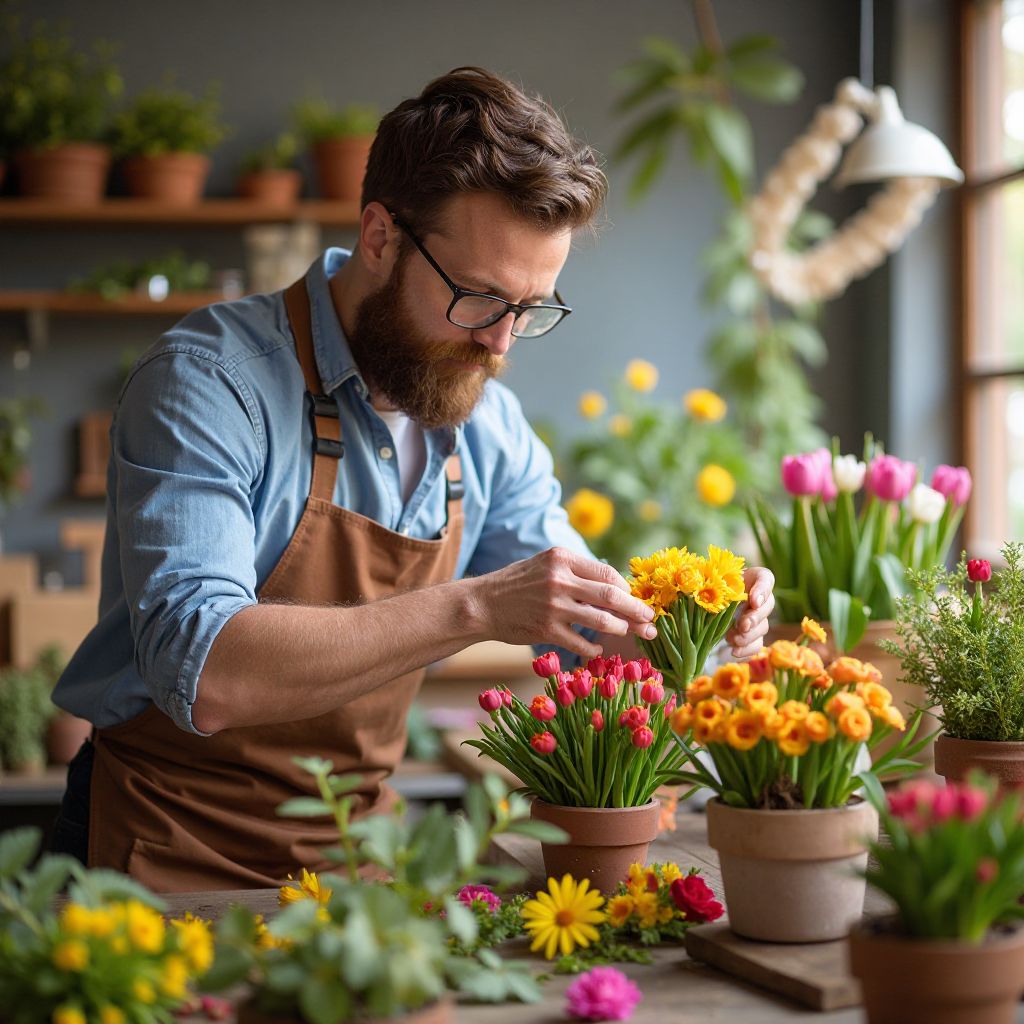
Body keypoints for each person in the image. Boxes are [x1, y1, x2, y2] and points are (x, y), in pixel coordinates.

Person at [51, 67, 775, 891]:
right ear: (380, 236)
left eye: (530, 308)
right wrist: (476, 605)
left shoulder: (488, 428)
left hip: (351, 866)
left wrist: (698, 625)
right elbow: (208, 670)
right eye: (478, 297)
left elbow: (583, 627)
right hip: (161, 850)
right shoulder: (211, 384)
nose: (501, 344)